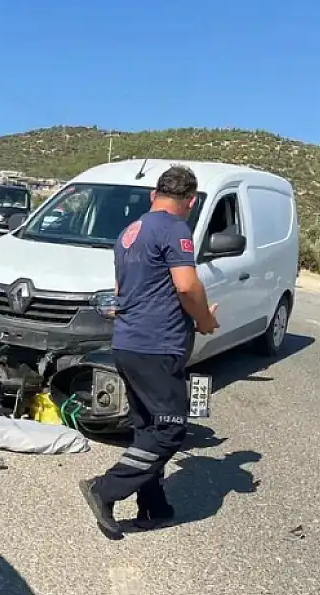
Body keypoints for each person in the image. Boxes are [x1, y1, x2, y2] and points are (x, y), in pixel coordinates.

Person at [78, 165, 219, 539]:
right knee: (171, 430)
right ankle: (104, 489)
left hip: (128, 341)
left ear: (153, 195)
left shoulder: (129, 232)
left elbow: (123, 287)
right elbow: (187, 286)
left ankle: (154, 508)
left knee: (148, 428)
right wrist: (204, 320)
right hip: (159, 344)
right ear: (190, 201)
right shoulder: (176, 229)